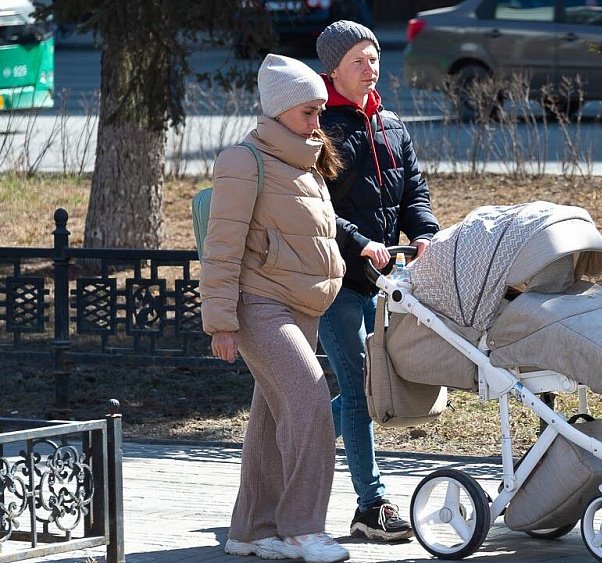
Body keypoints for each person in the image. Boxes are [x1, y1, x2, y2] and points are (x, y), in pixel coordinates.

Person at [200, 53, 350, 563]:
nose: (317, 122)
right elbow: (222, 248)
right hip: (259, 307)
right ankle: (303, 530)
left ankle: (250, 531)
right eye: (308, 112)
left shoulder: (305, 161)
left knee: (270, 419)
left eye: (319, 111)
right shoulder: (244, 161)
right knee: (310, 401)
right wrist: (221, 323)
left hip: (301, 308)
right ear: (279, 110)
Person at [314, 20, 439, 541]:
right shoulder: (317, 127)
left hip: (389, 278)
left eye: (375, 59)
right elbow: (315, 207)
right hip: (339, 278)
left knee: (376, 384)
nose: (371, 70)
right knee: (362, 389)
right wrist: (358, 241)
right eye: (359, 62)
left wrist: (426, 231)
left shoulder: (391, 122)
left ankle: (293, 432)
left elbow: (414, 190)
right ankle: (372, 504)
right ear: (333, 70)